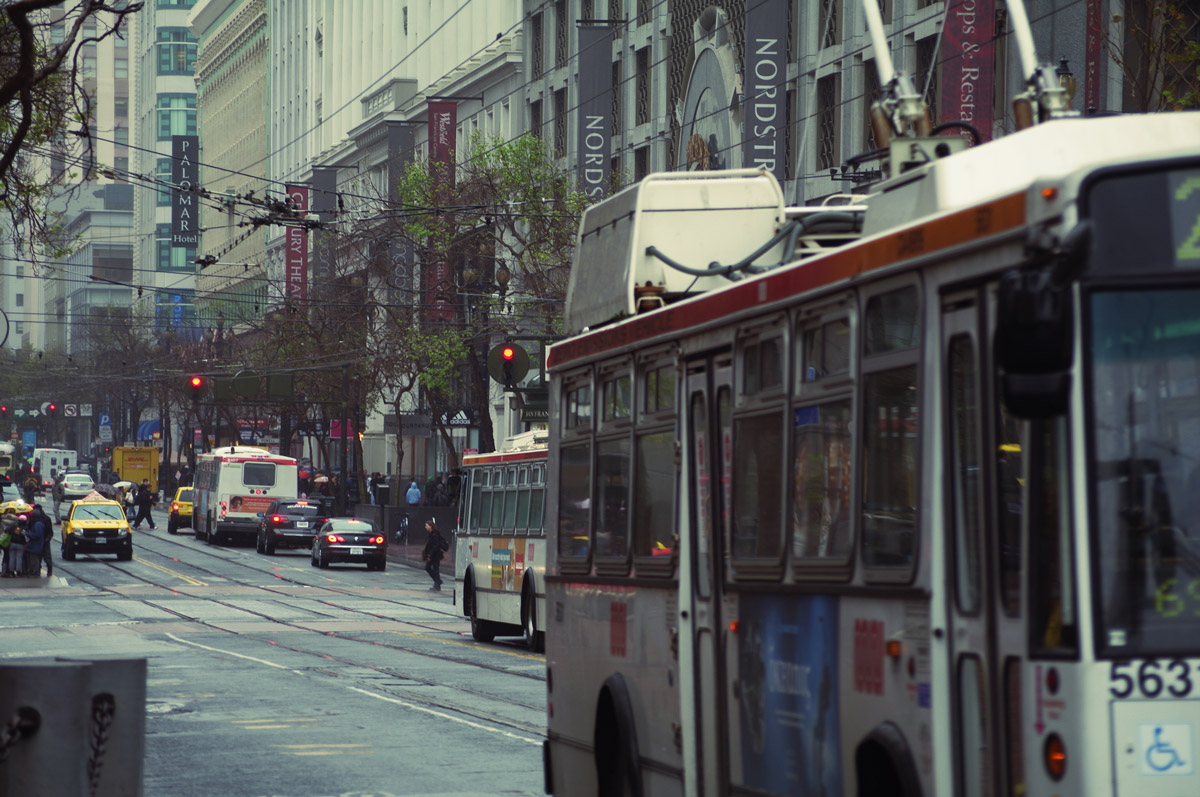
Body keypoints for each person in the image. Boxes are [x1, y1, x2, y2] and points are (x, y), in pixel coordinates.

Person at [26, 505, 51, 577]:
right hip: (41, 541)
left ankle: (38, 571)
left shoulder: (39, 522)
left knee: (39, 557)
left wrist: (28, 534)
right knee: (39, 557)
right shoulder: (42, 519)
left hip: (40, 542)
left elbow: (37, 534)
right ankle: (38, 571)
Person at [421, 519, 445, 591]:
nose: (425, 527)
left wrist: (430, 555)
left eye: (426, 525)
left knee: (433, 569)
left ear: (430, 526)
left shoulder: (434, 535)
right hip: (432, 555)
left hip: (435, 555)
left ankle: (437, 584)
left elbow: (435, 546)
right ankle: (437, 582)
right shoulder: (431, 534)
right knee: (430, 568)